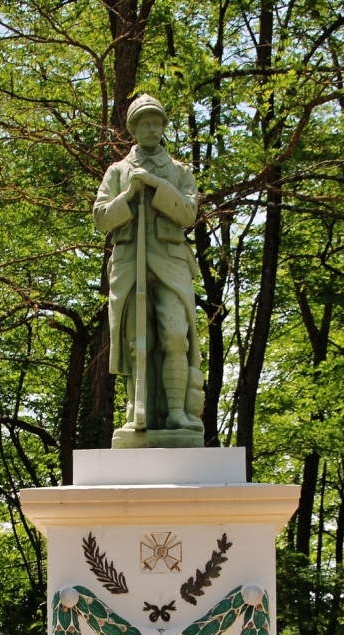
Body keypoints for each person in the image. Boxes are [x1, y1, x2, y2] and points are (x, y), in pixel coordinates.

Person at [93, 94, 204, 437]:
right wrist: (128, 194)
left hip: (170, 262)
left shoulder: (180, 171)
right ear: (133, 129)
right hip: (130, 263)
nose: (152, 129)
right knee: (136, 342)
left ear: (164, 127)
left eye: (157, 122)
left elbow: (188, 213)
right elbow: (100, 218)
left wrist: (156, 184)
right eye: (145, 123)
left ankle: (176, 413)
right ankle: (135, 409)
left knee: (175, 334)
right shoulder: (117, 172)